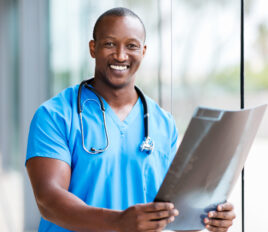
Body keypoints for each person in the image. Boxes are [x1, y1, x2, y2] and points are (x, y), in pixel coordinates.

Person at [26, 7, 236, 232]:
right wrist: (118, 222)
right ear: (93, 48)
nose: (120, 55)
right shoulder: (55, 115)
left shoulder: (163, 123)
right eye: (109, 44)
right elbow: (48, 200)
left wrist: (209, 215)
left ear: (143, 51)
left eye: (131, 46)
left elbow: (175, 212)